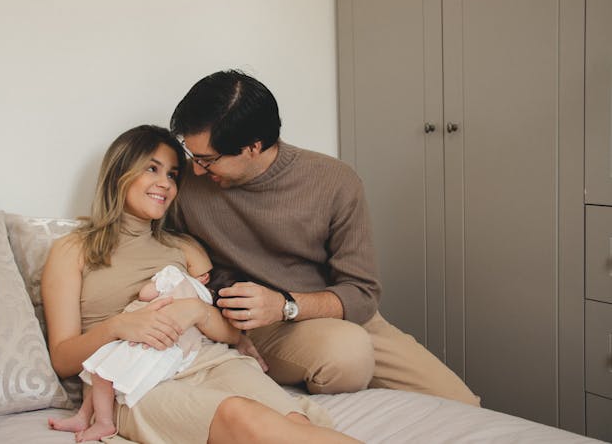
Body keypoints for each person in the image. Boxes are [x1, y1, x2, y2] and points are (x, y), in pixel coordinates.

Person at [169, 70, 480, 406]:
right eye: (192, 154)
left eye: (207, 159)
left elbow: (362, 293)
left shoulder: (334, 181)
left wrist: (285, 305)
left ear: (253, 147)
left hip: (328, 312)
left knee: (462, 402)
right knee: (346, 355)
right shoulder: (186, 186)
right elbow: (161, 254)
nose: (197, 170)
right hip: (256, 324)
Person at [41, 124, 361, 443]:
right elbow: (62, 358)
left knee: (295, 422)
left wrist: (196, 311)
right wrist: (118, 326)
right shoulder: (73, 250)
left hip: (208, 359)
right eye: (152, 169)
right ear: (119, 171)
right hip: (132, 381)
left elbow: (231, 334)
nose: (164, 184)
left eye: (172, 175)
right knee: (241, 417)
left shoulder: (185, 248)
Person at [48, 263, 213, 441]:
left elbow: (145, 294)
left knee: (102, 373)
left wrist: (155, 282)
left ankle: (104, 423)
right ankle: (82, 418)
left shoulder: (176, 276)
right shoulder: (205, 302)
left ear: (204, 277)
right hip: (171, 349)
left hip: (145, 337)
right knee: (102, 372)